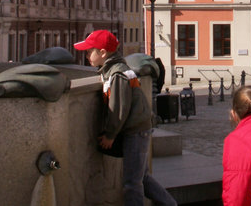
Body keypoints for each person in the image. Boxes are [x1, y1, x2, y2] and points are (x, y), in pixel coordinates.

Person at [74, 29, 177, 206]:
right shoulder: (116, 69)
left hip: (135, 131)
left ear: (103, 52)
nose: (87, 55)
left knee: (132, 183)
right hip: (139, 128)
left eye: (90, 51)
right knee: (141, 177)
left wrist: (110, 135)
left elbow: (119, 108)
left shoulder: (117, 74)